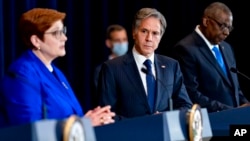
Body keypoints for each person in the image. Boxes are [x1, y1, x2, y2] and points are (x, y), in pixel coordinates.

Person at [0, 8, 115, 128]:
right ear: (36, 41)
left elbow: (71, 116)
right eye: (56, 33)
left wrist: (91, 118)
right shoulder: (22, 74)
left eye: (63, 31)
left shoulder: (56, 72)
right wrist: (85, 123)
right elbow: (28, 130)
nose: (64, 38)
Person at [97, 7, 193, 121]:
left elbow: (186, 106)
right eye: (144, 31)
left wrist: (165, 117)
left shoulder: (171, 66)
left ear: (160, 37)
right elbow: (107, 115)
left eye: (155, 33)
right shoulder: (112, 68)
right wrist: (143, 125)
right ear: (134, 32)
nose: (149, 38)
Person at [171, 2, 249, 113]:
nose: (226, 33)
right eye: (222, 26)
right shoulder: (185, 49)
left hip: (234, 117)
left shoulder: (227, 48)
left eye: (229, 28)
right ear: (206, 22)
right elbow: (191, 93)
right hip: (210, 121)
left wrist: (245, 105)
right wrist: (229, 111)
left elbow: (234, 89)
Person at [92, 24, 128, 107]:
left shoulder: (135, 65)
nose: (122, 43)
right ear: (108, 43)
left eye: (124, 39)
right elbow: (104, 99)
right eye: (118, 40)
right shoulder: (101, 69)